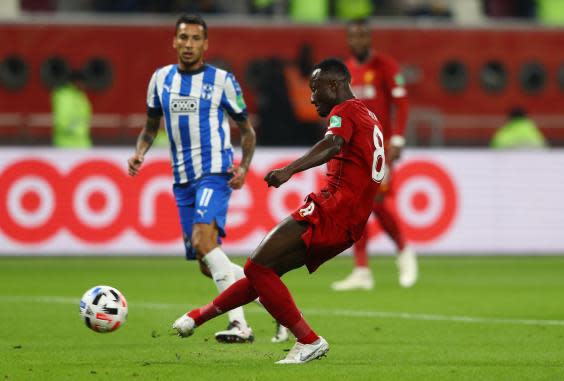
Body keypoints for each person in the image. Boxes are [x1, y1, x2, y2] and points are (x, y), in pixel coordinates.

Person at [172, 58, 387, 364]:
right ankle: (198, 317)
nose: (311, 97)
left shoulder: (345, 111)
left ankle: (308, 340)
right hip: (350, 222)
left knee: (258, 266)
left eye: (315, 89)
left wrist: (289, 170)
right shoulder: (368, 114)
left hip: (332, 211)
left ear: (334, 85)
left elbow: (333, 144)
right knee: (263, 272)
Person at [127, 15, 258, 343]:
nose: (188, 45)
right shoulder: (160, 79)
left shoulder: (222, 81)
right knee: (206, 261)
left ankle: (240, 325)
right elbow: (150, 124)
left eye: (195, 39)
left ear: (205, 44)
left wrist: (243, 167)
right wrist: (140, 152)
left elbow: (247, 130)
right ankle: (269, 294)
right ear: (174, 41)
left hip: (214, 172)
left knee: (204, 242)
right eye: (183, 38)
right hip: (182, 179)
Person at [332, 18, 417, 291]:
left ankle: (404, 251)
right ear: (348, 40)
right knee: (354, 209)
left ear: (369, 38)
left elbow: (401, 103)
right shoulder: (345, 72)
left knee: (377, 204)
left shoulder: (386, 66)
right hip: (353, 151)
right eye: (354, 36)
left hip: (380, 148)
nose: (358, 41)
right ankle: (362, 270)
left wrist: (398, 138)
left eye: (363, 36)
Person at [51, 70, 92, 148]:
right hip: (66, 144)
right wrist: (75, 131)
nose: (85, 85)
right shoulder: (65, 96)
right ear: (76, 82)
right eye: (83, 82)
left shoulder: (80, 96)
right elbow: (62, 118)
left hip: (82, 142)